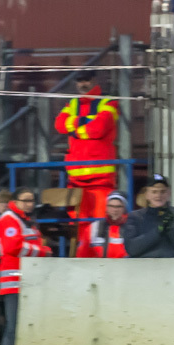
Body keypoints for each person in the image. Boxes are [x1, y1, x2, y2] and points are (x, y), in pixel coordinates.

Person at [54, 70, 119, 242]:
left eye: (87, 80)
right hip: (76, 179)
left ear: (94, 80)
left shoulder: (108, 102)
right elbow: (59, 125)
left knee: (100, 225)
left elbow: (98, 129)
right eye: (80, 81)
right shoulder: (73, 103)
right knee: (78, 227)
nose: (83, 84)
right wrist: (85, 125)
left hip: (101, 179)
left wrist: (74, 127)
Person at [0, 187, 51, 345]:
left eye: (31, 201)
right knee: (11, 324)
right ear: (16, 201)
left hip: (23, 279)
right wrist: (42, 251)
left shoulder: (25, 220)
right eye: (25, 200)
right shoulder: (9, 219)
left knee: (12, 323)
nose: (29, 204)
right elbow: (13, 247)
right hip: (11, 278)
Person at [123, 174, 174, 258]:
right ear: (147, 194)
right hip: (143, 267)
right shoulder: (136, 217)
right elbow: (132, 249)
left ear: (169, 193)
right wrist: (158, 231)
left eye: (163, 192)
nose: (158, 196)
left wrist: (172, 227)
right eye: (154, 192)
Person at [76, 190, 129, 258]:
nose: (115, 210)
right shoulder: (93, 228)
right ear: (106, 207)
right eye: (111, 206)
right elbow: (81, 256)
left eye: (118, 206)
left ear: (124, 208)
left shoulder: (133, 228)